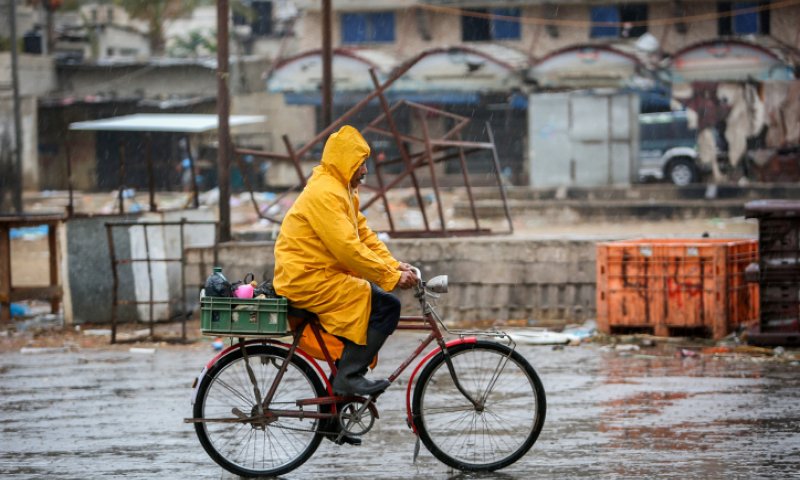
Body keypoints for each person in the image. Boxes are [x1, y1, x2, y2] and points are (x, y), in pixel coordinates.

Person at [273, 125, 418, 400]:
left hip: (321, 276)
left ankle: (334, 410)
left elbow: (363, 235)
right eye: (360, 164)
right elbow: (348, 249)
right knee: (387, 306)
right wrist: (389, 277)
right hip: (308, 280)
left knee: (366, 316)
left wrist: (393, 264)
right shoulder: (326, 193)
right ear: (343, 162)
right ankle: (349, 377)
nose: (364, 170)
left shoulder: (342, 190)